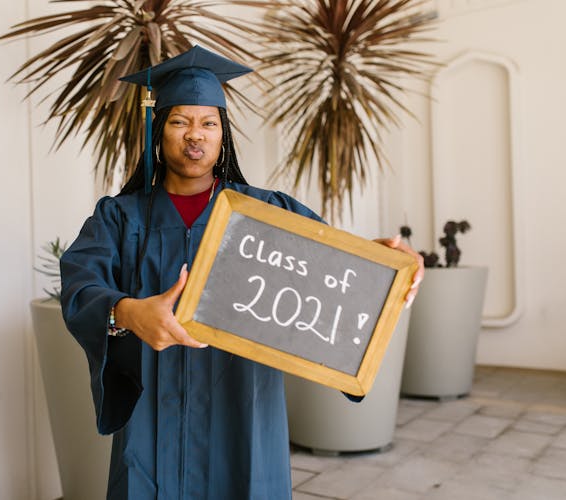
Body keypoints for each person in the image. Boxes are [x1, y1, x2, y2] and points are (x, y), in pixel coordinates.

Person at [59, 46, 424, 500]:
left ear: (223, 134)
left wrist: (381, 261)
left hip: (244, 409)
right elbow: (80, 284)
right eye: (179, 122)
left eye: (209, 123)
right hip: (152, 418)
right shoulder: (119, 217)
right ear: (158, 129)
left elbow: (329, 269)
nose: (196, 136)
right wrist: (129, 313)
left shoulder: (267, 212)